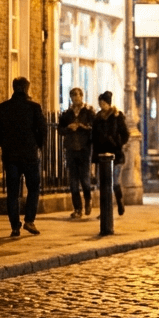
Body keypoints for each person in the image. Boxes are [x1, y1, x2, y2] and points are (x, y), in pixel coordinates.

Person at [0, 77, 47, 238]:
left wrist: (3, 143)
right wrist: (38, 145)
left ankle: (15, 226)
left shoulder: (3, 107)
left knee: (13, 192)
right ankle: (29, 220)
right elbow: (43, 130)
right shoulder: (34, 107)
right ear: (27, 88)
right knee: (34, 188)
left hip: (11, 156)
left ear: (13, 87)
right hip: (29, 155)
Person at [58, 87, 96, 219]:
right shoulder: (67, 114)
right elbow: (60, 129)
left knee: (85, 180)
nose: (75, 99)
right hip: (71, 149)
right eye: (73, 96)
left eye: (77, 96)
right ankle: (77, 209)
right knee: (73, 182)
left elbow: (94, 128)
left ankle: (88, 200)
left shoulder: (88, 112)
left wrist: (82, 126)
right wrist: (68, 128)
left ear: (82, 97)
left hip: (84, 149)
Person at [92, 91, 131, 216]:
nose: (101, 105)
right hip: (102, 155)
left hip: (116, 155)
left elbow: (125, 133)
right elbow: (94, 137)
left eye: (103, 103)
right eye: (100, 103)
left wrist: (117, 143)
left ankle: (119, 201)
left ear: (108, 103)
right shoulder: (97, 118)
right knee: (102, 184)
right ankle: (105, 210)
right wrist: (94, 156)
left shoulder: (117, 116)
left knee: (114, 182)